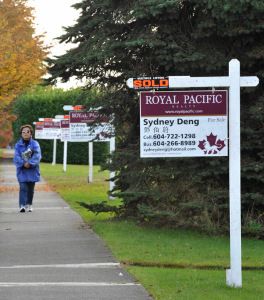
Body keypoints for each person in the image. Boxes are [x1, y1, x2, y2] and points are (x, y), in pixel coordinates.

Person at [13, 124, 42, 212]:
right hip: (22, 170)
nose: (25, 133)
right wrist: (23, 163)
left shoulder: (35, 144)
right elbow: (16, 156)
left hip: (32, 170)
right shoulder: (18, 145)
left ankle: (29, 204)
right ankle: (22, 205)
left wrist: (30, 163)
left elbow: (37, 155)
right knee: (23, 187)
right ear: (21, 134)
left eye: (27, 132)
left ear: (31, 133)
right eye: (23, 132)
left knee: (30, 189)